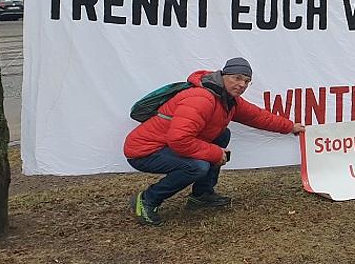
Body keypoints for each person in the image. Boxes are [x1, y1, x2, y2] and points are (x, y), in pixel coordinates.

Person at [124, 57, 306, 225]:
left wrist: (290, 127)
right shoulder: (201, 98)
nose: (242, 84)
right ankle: (147, 199)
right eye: (237, 78)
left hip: (166, 144)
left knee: (222, 135)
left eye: (247, 81)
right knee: (197, 167)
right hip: (144, 151)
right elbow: (179, 140)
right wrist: (215, 153)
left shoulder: (228, 99)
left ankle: (202, 195)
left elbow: (257, 117)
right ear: (224, 75)